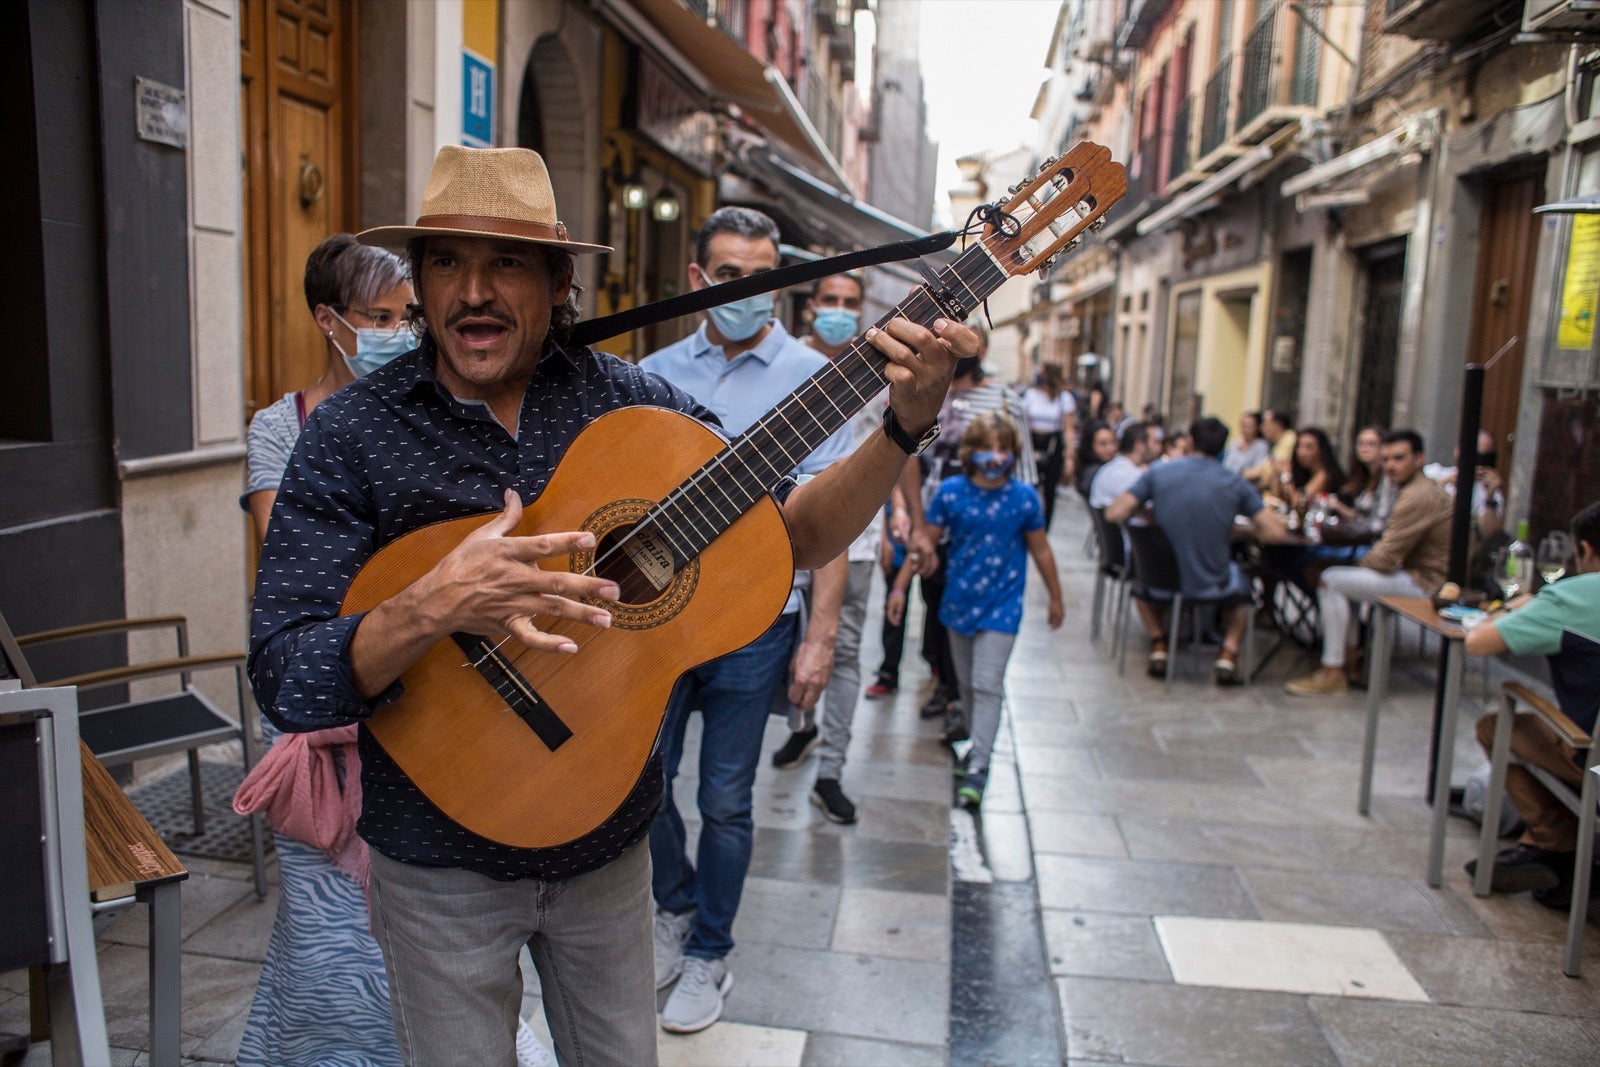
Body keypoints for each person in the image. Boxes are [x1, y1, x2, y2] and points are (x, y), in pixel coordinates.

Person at [247, 146, 975, 1065]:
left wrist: (902, 426)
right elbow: (287, 674)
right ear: (421, 281)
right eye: (446, 262)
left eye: (505, 262)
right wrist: (430, 606)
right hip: (435, 858)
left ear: (557, 282)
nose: (473, 290)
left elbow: (790, 535)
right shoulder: (349, 436)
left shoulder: (633, 408)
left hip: (606, 845)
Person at [638, 209, 861, 1032]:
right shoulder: (653, 370)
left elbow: (830, 518)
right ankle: (674, 906)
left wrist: (822, 634)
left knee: (727, 798)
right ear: (700, 279)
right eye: (729, 274)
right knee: (641, 784)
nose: (746, 288)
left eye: (762, 272)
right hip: (655, 621)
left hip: (757, 623)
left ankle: (711, 951)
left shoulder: (816, 377)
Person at [235, 235, 418, 1067]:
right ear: (328, 320)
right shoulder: (281, 428)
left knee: (426, 924)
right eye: (379, 318)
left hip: (424, 701)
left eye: (406, 317)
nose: (399, 332)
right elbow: (297, 568)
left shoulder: (432, 411)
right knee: (325, 930)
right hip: (321, 717)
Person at [888, 412, 1063, 808]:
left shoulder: (1023, 498)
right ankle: (974, 745)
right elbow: (924, 546)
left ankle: (980, 764)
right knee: (966, 684)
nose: (995, 456)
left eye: (1003, 449)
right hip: (958, 603)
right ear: (970, 451)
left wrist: (1056, 596)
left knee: (986, 683)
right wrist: (899, 588)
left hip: (1003, 605)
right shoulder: (951, 493)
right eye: (987, 448)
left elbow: (1041, 549)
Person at [771, 270, 880, 826]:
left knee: (840, 653)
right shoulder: (790, 366)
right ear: (811, 306)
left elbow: (900, 448)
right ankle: (802, 729)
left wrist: (911, 516)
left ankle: (831, 771)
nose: (840, 309)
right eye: (830, 300)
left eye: (850, 302)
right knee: (791, 643)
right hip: (786, 534)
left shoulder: (884, 363)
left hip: (857, 541)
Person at [1462, 501, 1600, 907]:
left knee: (1497, 725)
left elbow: (1478, 642)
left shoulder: (1576, 595)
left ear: (1585, 550)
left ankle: (1551, 843)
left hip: (1592, 759)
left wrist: (1513, 606)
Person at [905, 339, 1035, 738]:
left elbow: (1022, 461)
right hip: (935, 518)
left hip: (984, 525)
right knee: (937, 605)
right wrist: (911, 517)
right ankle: (946, 683)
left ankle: (960, 701)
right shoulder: (928, 394)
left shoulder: (1003, 398)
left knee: (971, 607)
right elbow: (909, 453)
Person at [1106, 416, 1288, 683]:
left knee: (1140, 582)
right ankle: (1228, 653)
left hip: (1159, 579)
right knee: (1243, 588)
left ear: (1190, 441)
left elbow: (1115, 512)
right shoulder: (1234, 483)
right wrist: (1234, 528)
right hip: (1212, 579)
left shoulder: (1158, 474)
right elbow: (1275, 533)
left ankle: (1159, 643)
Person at [1286, 430, 1453, 696]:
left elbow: (1386, 557)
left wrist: (1350, 564)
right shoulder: (1408, 488)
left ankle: (1334, 671)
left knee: (1331, 579)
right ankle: (1350, 661)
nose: (1390, 466)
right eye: (1386, 459)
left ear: (1419, 459)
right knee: (1335, 578)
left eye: (1399, 458)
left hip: (1425, 583)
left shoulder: (1418, 495)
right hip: (1411, 572)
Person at [1020, 362, 1078, 530]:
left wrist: (1069, 456)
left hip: (1053, 445)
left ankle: (1044, 528)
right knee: (1029, 483)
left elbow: (1069, 429)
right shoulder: (1030, 395)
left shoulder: (1064, 398)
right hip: (1031, 443)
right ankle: (1027, 523)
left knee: (1050, 490)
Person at [1331, 425, 1393, 533]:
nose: (1364, 448)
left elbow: (1378, 523)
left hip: (1372, 541)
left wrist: (1339, 507)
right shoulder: (1362, 476)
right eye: (1361, 443)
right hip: (1358, 537)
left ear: (1384, 448)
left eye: (1371, 444)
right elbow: (1360, 517)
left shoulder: (1388, 478)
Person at [1088, 421, 1156, 511]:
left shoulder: (1114, 466)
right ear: (1140, 446)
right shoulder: (1128, 474)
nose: (1158, 447)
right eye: (1155, 442)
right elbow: (1154, 506)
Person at [1286, 426, 1346, 510]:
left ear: (1321, 450)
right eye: (1299, 446)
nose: (1301, 452)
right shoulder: (1305, 472)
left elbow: (1299, 503)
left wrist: (1287, 476)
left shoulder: (1325, 475)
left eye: (1309, 447)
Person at [1244, 408, 1296, 493]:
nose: (1261, 428)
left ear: (1278, 425)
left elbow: (1274, 470)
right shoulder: (1278, 444)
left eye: (1265, 424)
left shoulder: (1289, 439)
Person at [1074, 419, 1117, 500]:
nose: (1110, 448)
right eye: (1103, 444)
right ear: (1090, 446)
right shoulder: (1092, 473)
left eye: (1113, 442)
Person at [1223, 411, 1269, 476]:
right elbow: (1225, 466)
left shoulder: (1261, 446)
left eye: (1249, 426)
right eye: (1243, 425)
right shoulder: (1233, 444)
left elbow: (1258, 471)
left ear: (1257, 427)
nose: (1245, 429)